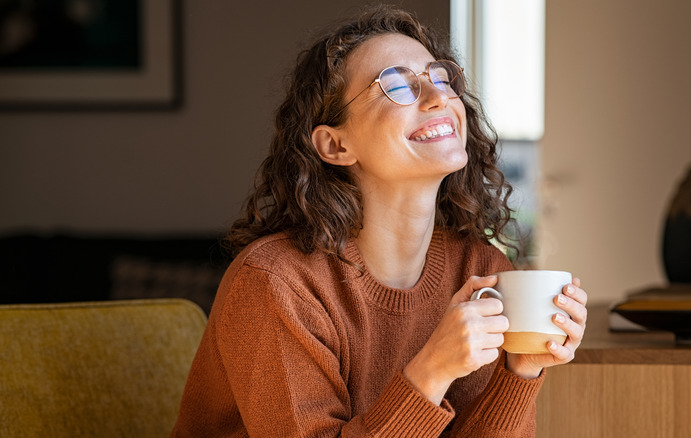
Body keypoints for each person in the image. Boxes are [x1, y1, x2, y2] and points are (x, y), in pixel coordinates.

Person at [171, 5, 587, 437]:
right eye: (395, 86)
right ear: (335, 145)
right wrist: (431, 370)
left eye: (440, 77)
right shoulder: (277, 284)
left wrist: (521, 372)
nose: (439, 96)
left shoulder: (480, 271)